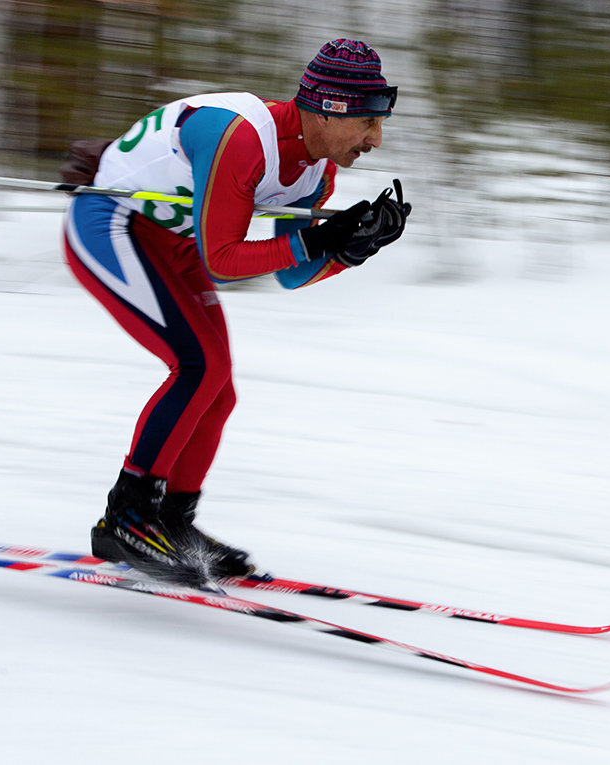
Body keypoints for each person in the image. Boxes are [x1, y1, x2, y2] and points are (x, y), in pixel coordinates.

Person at [59, 39, 411, 587]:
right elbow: (221, 260)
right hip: (111, 225)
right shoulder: (244, 138)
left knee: (218, 386)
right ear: (327, 107)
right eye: (368, 122)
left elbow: (291, 272)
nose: (376, 139)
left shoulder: (316, 172)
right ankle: (126, 517)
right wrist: (321, 240)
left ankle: (172, 522)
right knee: (196, 367)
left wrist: (350, 249)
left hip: (172, 243)